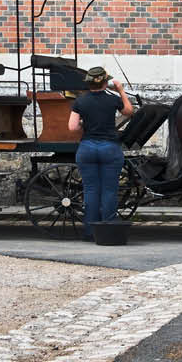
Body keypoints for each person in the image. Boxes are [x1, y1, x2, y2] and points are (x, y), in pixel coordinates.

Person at [68, 66, 134, 240]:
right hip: (110, 149)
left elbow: (72, 127)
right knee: (109, 190)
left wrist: (84, 125)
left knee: (90, 190)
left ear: (88, 83)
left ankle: (90, 232)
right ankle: (108, 230)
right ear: (106, 83)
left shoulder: (80, 101)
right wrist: (120, 90)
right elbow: (128, 111)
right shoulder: (112, 100)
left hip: (87, 148)